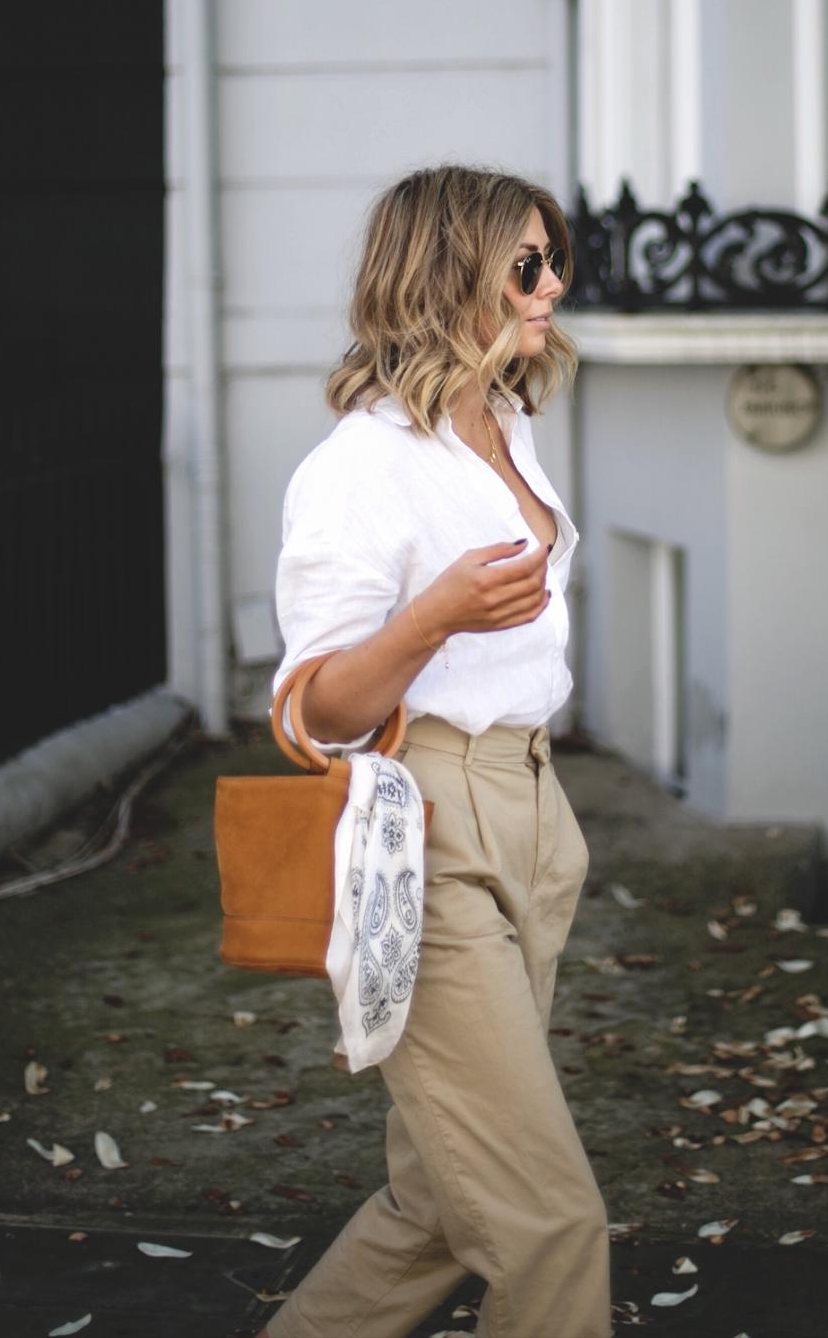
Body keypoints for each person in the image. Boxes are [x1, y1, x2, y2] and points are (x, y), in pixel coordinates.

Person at [258, 164, 612, 1338]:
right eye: (526, 263)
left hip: (532, 808)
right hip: (427, 828)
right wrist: (432, 618)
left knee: (441, 1195)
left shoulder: (503, 425)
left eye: (554, 257)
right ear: (445, 272)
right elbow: (316, 710)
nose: (552, 282)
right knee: (544, 1219)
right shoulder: (364, 466)